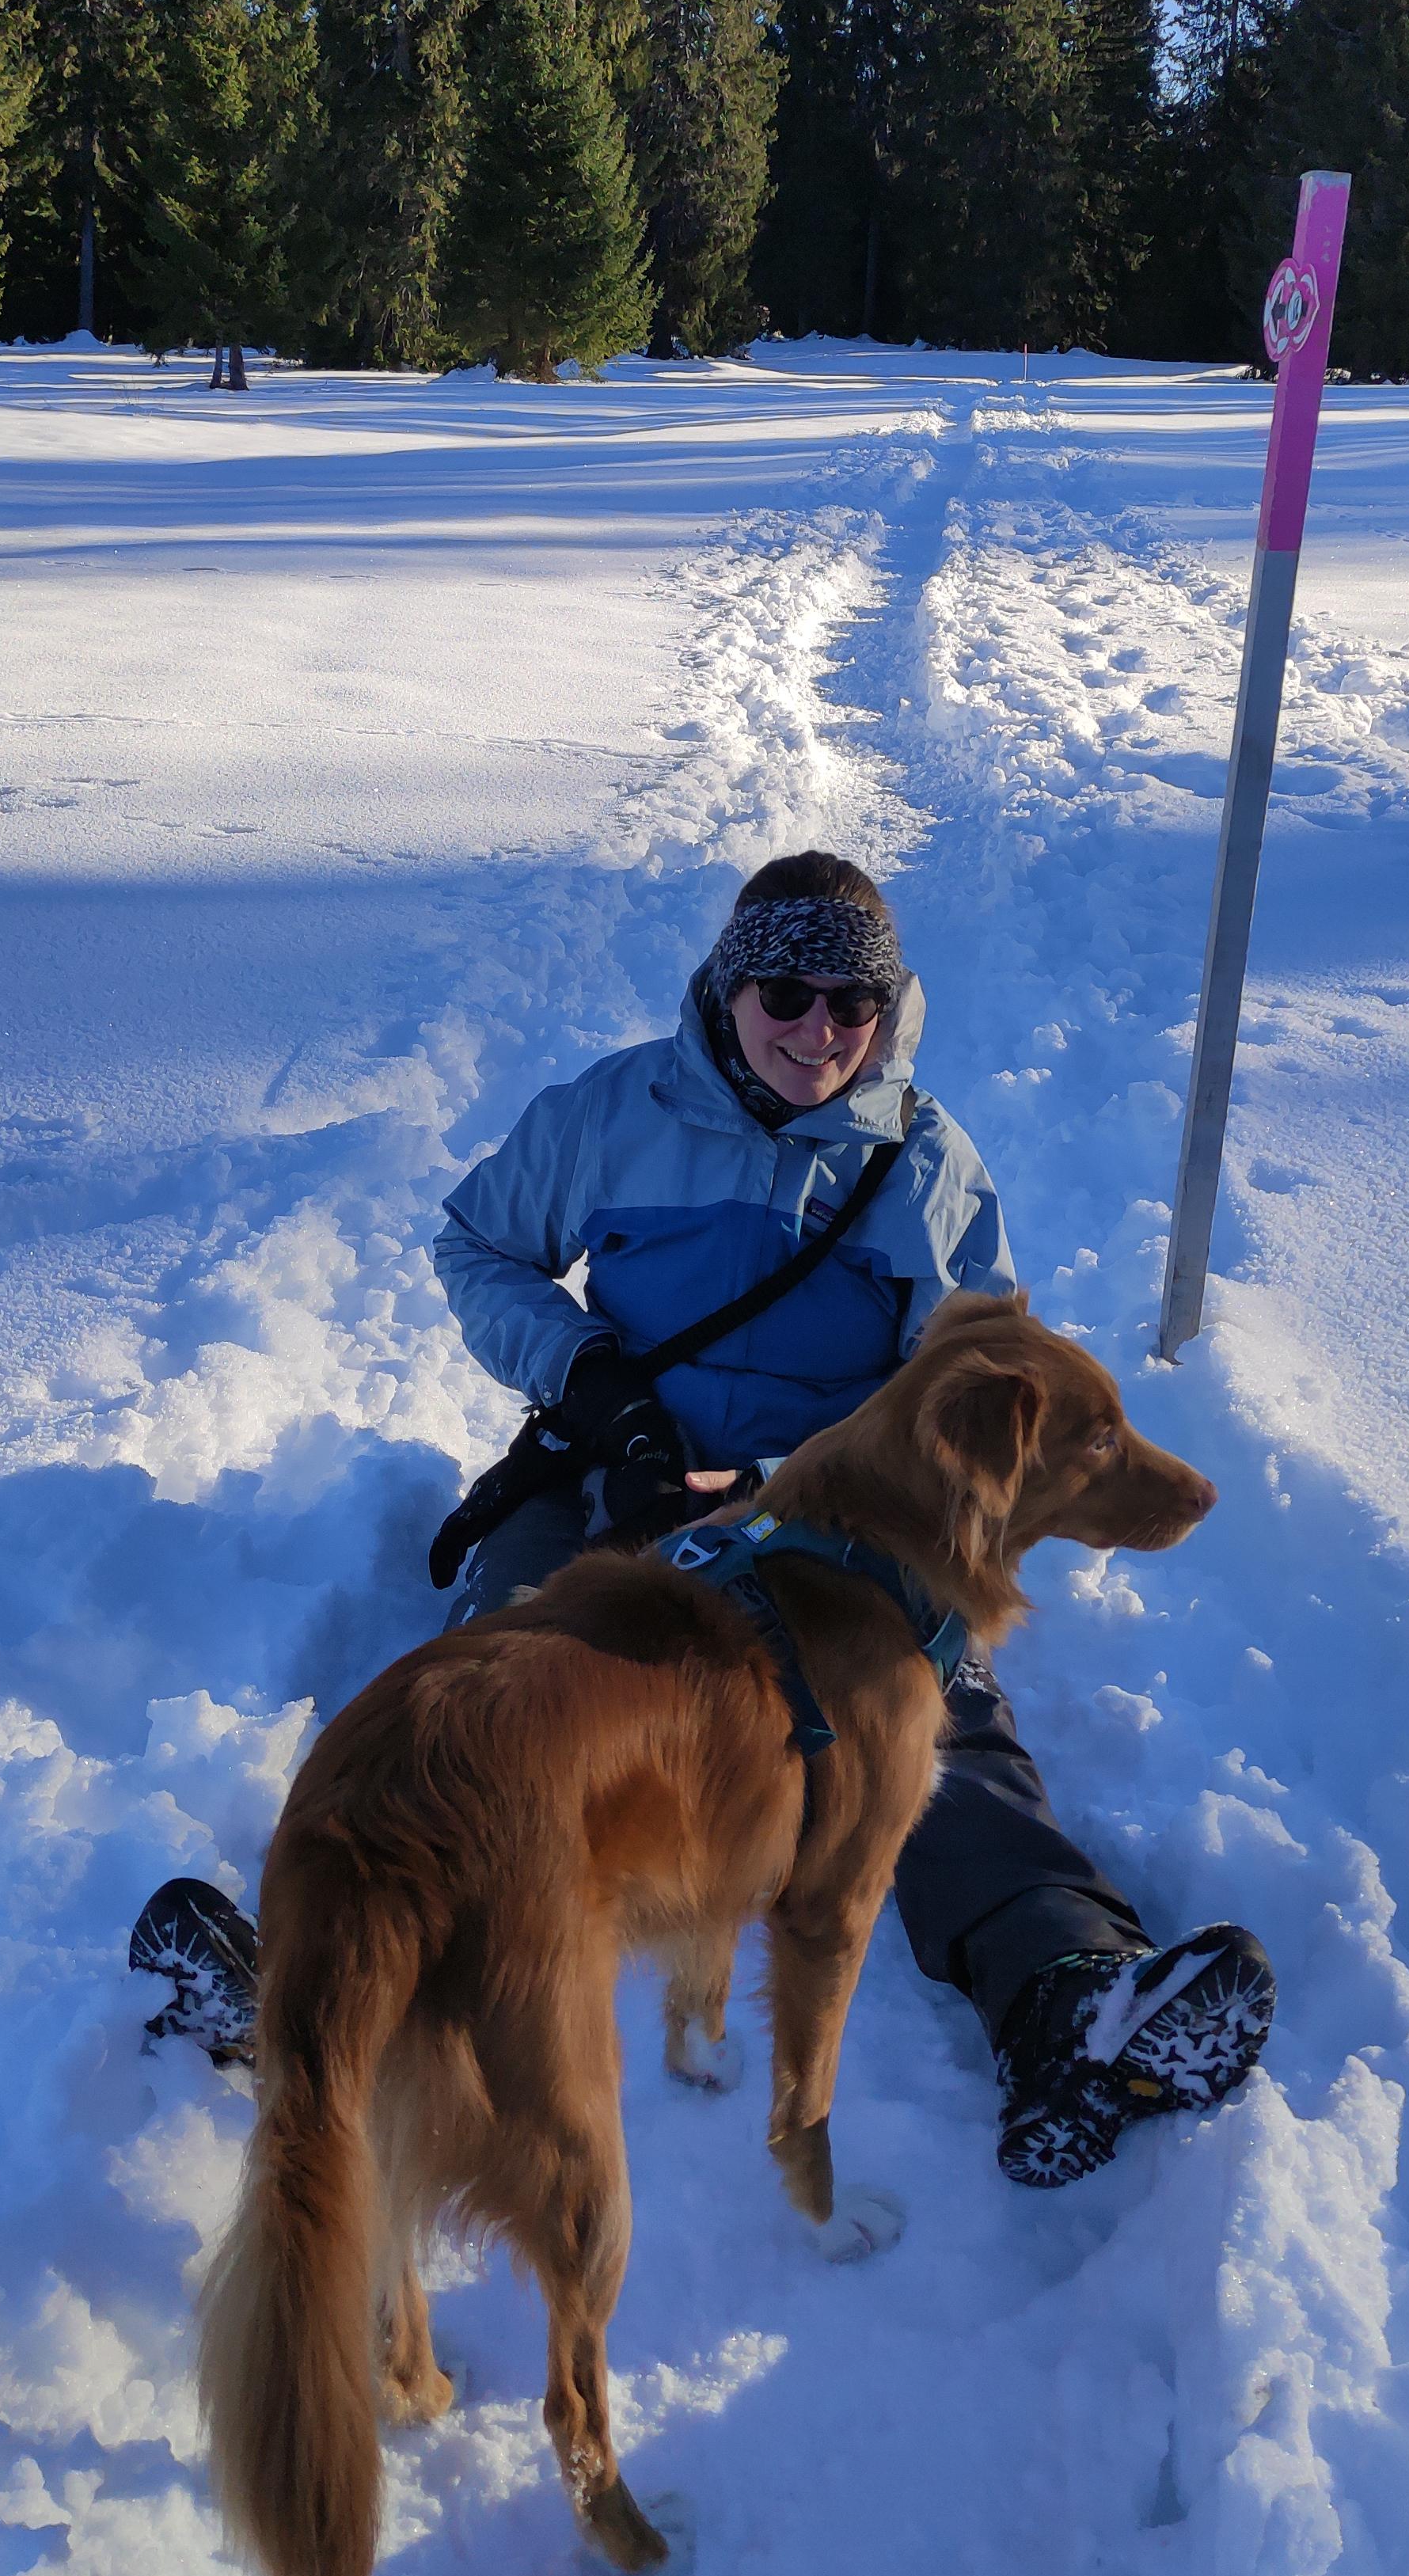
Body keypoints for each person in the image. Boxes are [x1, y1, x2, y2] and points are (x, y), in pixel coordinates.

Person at [133, 852, 1272, 2184]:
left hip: (831, 1516)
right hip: (609, 1468)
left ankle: (1071, 1995)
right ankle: (315, 1983)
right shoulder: (612, 1114)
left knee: (931, 1727)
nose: (819, 1031)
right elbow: (475, 1247)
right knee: (489, 1686)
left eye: (854, 1000)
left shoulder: (927, 1164)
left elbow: (963, 1387)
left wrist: (791, 1474)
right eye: (785, 992)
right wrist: (592, 1384)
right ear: (728, 992)